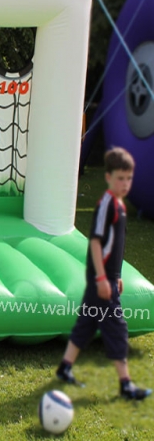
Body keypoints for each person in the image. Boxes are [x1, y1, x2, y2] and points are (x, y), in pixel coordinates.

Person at [56, 147, 151, 400]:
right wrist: (101, 279)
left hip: (108, 278)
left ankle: (65, 367)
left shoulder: (119, 206)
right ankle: (126, 384)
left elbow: (113, 245)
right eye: (120, 178)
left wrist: (116, 274)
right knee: (117, 328)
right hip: (102, 281)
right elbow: (97, 243)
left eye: (129, 178)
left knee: (87, 324)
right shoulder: (106, 205)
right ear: (108, 177)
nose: (125, 183)